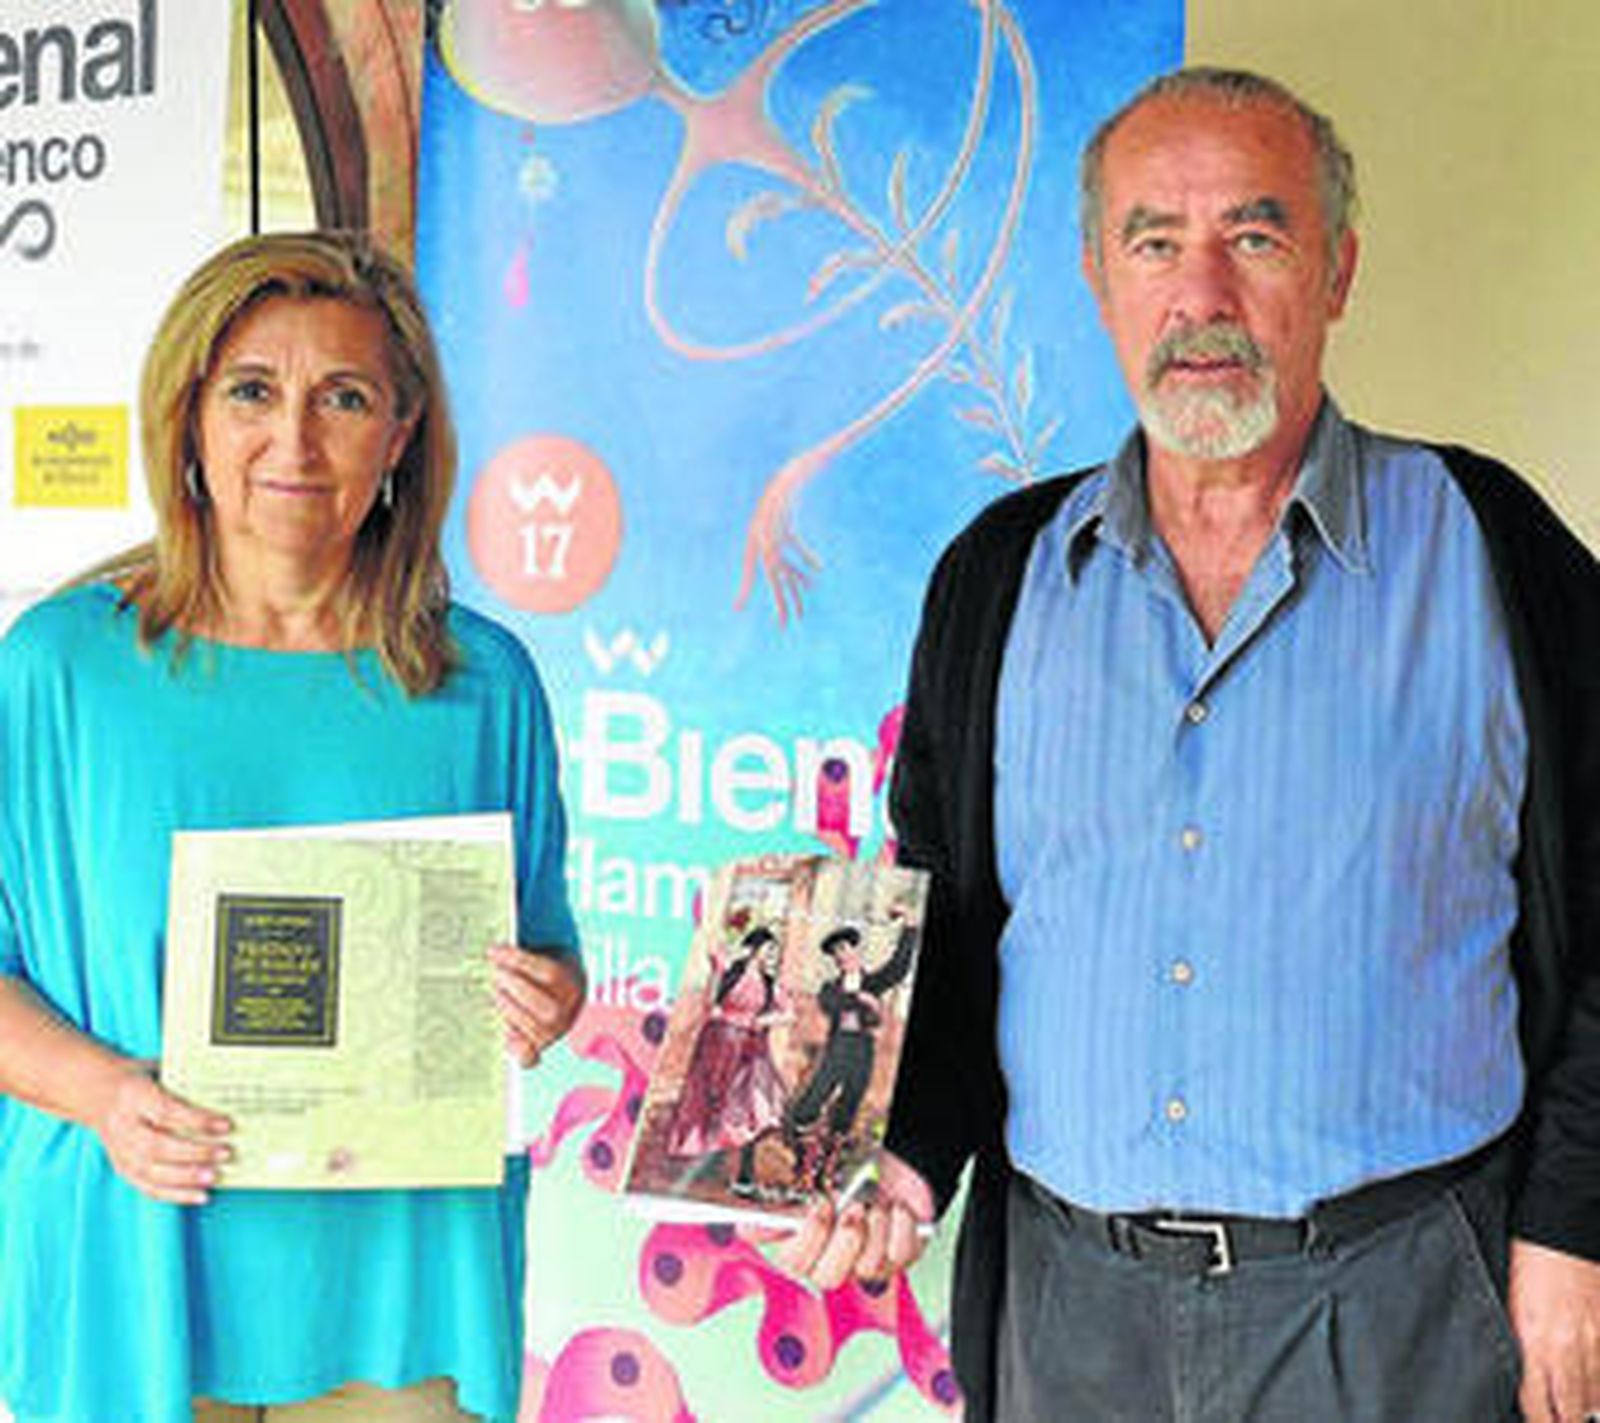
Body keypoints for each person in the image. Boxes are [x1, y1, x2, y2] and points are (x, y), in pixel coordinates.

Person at [782, 67, 1600, 1423]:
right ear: (1100, 274)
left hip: (1398, 1306)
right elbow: (950, 930)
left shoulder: (1487, 546)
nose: (1203, 294)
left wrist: (1575, 1221)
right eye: (1155, 241)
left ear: (1336, 270)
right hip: (1071, 1312)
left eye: (1256, 238)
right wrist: (907, 1156)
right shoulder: (997, 577)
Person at [0, 231, 586, 1423]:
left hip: (401, 1276)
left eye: (347, 398)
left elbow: (549, 954)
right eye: (254, 390)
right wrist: (107, 1094)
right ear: (191, 417)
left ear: (403, 434)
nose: (295, 439)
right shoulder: (60, 670)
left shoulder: (481, 683)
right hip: (132, 1263)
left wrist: (548, 996)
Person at [783, 916, 915, 1192]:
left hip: (863, 1049)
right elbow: (833, 1004)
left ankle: (827, 1171)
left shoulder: (873, 982)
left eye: (848, 949)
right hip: (838, 1047)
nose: (845, 955)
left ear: (856, 951)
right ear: (835, 959)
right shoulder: (830, 988)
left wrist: (910, 929)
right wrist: (863, 1001)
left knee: (849, 1105)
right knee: (810, 1103)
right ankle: (806, 1164)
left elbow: (899, 968)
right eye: (838, 952)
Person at [665, 922, 791, 1198]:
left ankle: (745, 1175)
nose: (772, 957)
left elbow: (788, 1013)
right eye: (769, 950)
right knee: (710, 1100)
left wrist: (765, 1019)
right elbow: (711, 1006)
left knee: (752, 1108)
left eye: (775, 952)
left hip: (750, 1050)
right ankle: (705, 1165)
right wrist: (715, 972)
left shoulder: (771, 985)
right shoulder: (731, 973)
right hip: (718, 1044)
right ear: (755, 949)